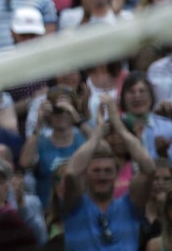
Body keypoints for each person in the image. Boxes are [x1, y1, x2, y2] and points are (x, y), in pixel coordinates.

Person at [62, 95, 156, 251]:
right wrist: (97, 135)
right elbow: (71, 172)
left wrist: (118, 125)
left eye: (108, 170)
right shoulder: (74, 204)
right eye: (96, 170)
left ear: (116, 174)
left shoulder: (130, 205)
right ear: (85, 174)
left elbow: (149, 168)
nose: (102, 175)